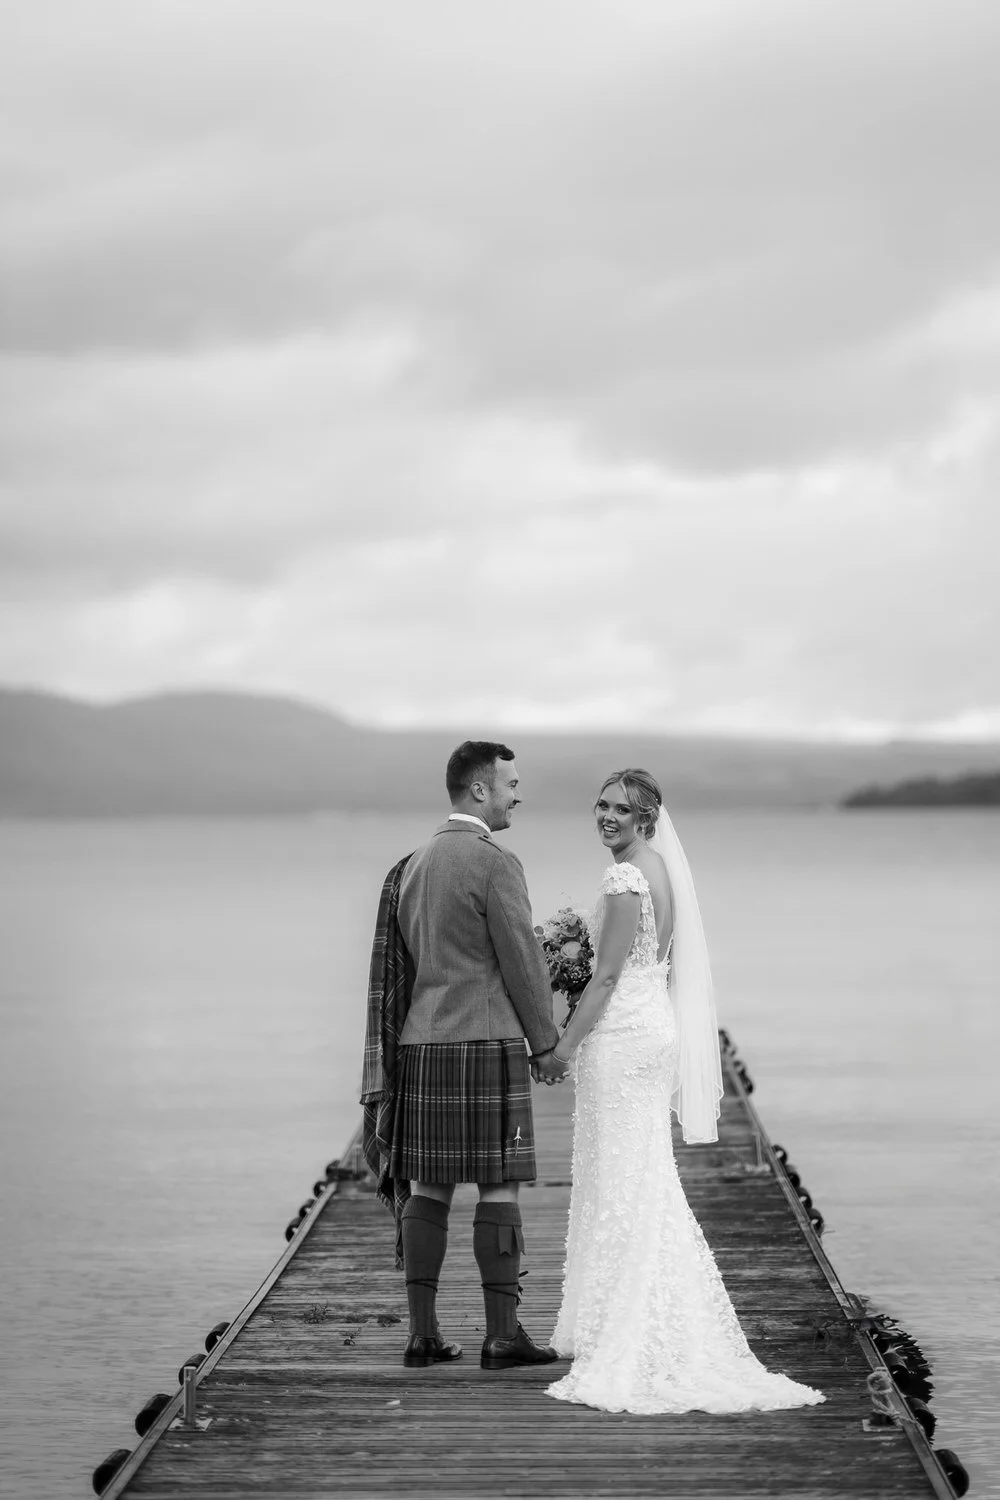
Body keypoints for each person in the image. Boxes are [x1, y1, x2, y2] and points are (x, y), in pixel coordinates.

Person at [546, 768, 825, 1415]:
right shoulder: (661, 870)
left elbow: (608, 976)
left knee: (622, 1178)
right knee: (640, 1174)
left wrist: (562, 1046)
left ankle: (631, 1326)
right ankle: (622, 1313)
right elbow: (645, 962)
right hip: (654, 1030)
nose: (606, 816)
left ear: (646, 818)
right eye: (601, 804)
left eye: (620, 809)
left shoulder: (624, 877)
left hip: (621, 1037)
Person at [387, 740, 567, 1370]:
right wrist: (545, 1045)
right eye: (511, 783)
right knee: (498, 1184)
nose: (518, 794)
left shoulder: (414, 864)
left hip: (422, 1041)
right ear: (480, 789)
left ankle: (423, 1335)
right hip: (485, 1039)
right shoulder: (495, 862)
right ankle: (502, 1335)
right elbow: (522, 963)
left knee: (428, 1186)